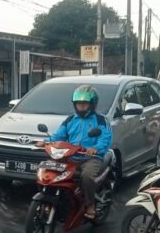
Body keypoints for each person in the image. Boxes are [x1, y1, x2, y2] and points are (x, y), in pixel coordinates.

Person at [36, 85, 113, 219]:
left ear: (92, 104)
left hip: (91, 157)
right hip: (70, 156)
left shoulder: (100, 120)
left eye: (84, 104)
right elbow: (59, 135)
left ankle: (89, 204)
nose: (81, 107)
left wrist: (96, 148)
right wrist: (46, 141)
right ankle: (50, 199)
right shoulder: (70, 119)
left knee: (87, 176)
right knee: (49, 170)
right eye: (78, 104)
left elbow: (105, 137)